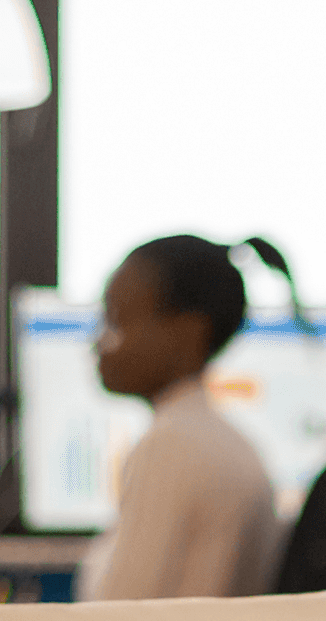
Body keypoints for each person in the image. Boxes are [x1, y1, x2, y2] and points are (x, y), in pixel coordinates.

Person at [76, 234, 297, 601]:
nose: (99, 342)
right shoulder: (225, 440)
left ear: (189, 333)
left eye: (117, 322)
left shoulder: (171, 447)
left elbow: (117, 612)